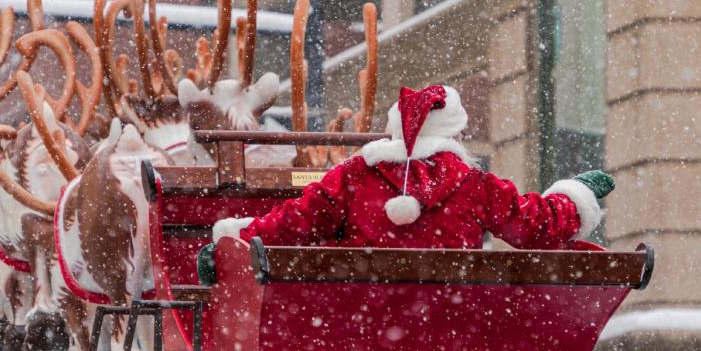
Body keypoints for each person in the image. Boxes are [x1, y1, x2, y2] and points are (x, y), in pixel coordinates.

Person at [206, 84, 612, 255]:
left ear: (393, 127)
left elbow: (295, 223)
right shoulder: (475, 185)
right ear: (454, 131)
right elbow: (533, 225)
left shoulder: (354, 177)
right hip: (451, 340)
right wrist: (576, 198)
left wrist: (235, 239)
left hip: (355, 337)